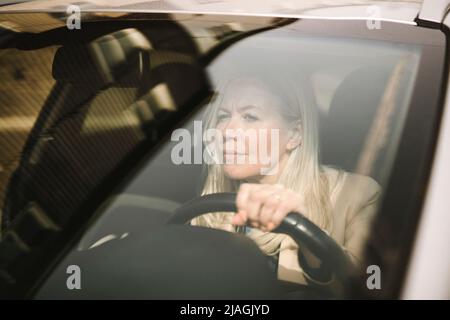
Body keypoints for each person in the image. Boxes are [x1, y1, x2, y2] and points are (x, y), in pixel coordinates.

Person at [190, 75, 381, 288]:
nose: (226, 132)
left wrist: (308, 237)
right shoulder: (210, 202)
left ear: (294, 134)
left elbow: (369, 287)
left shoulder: (358, 196)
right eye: (223, 116)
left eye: (250, 117)